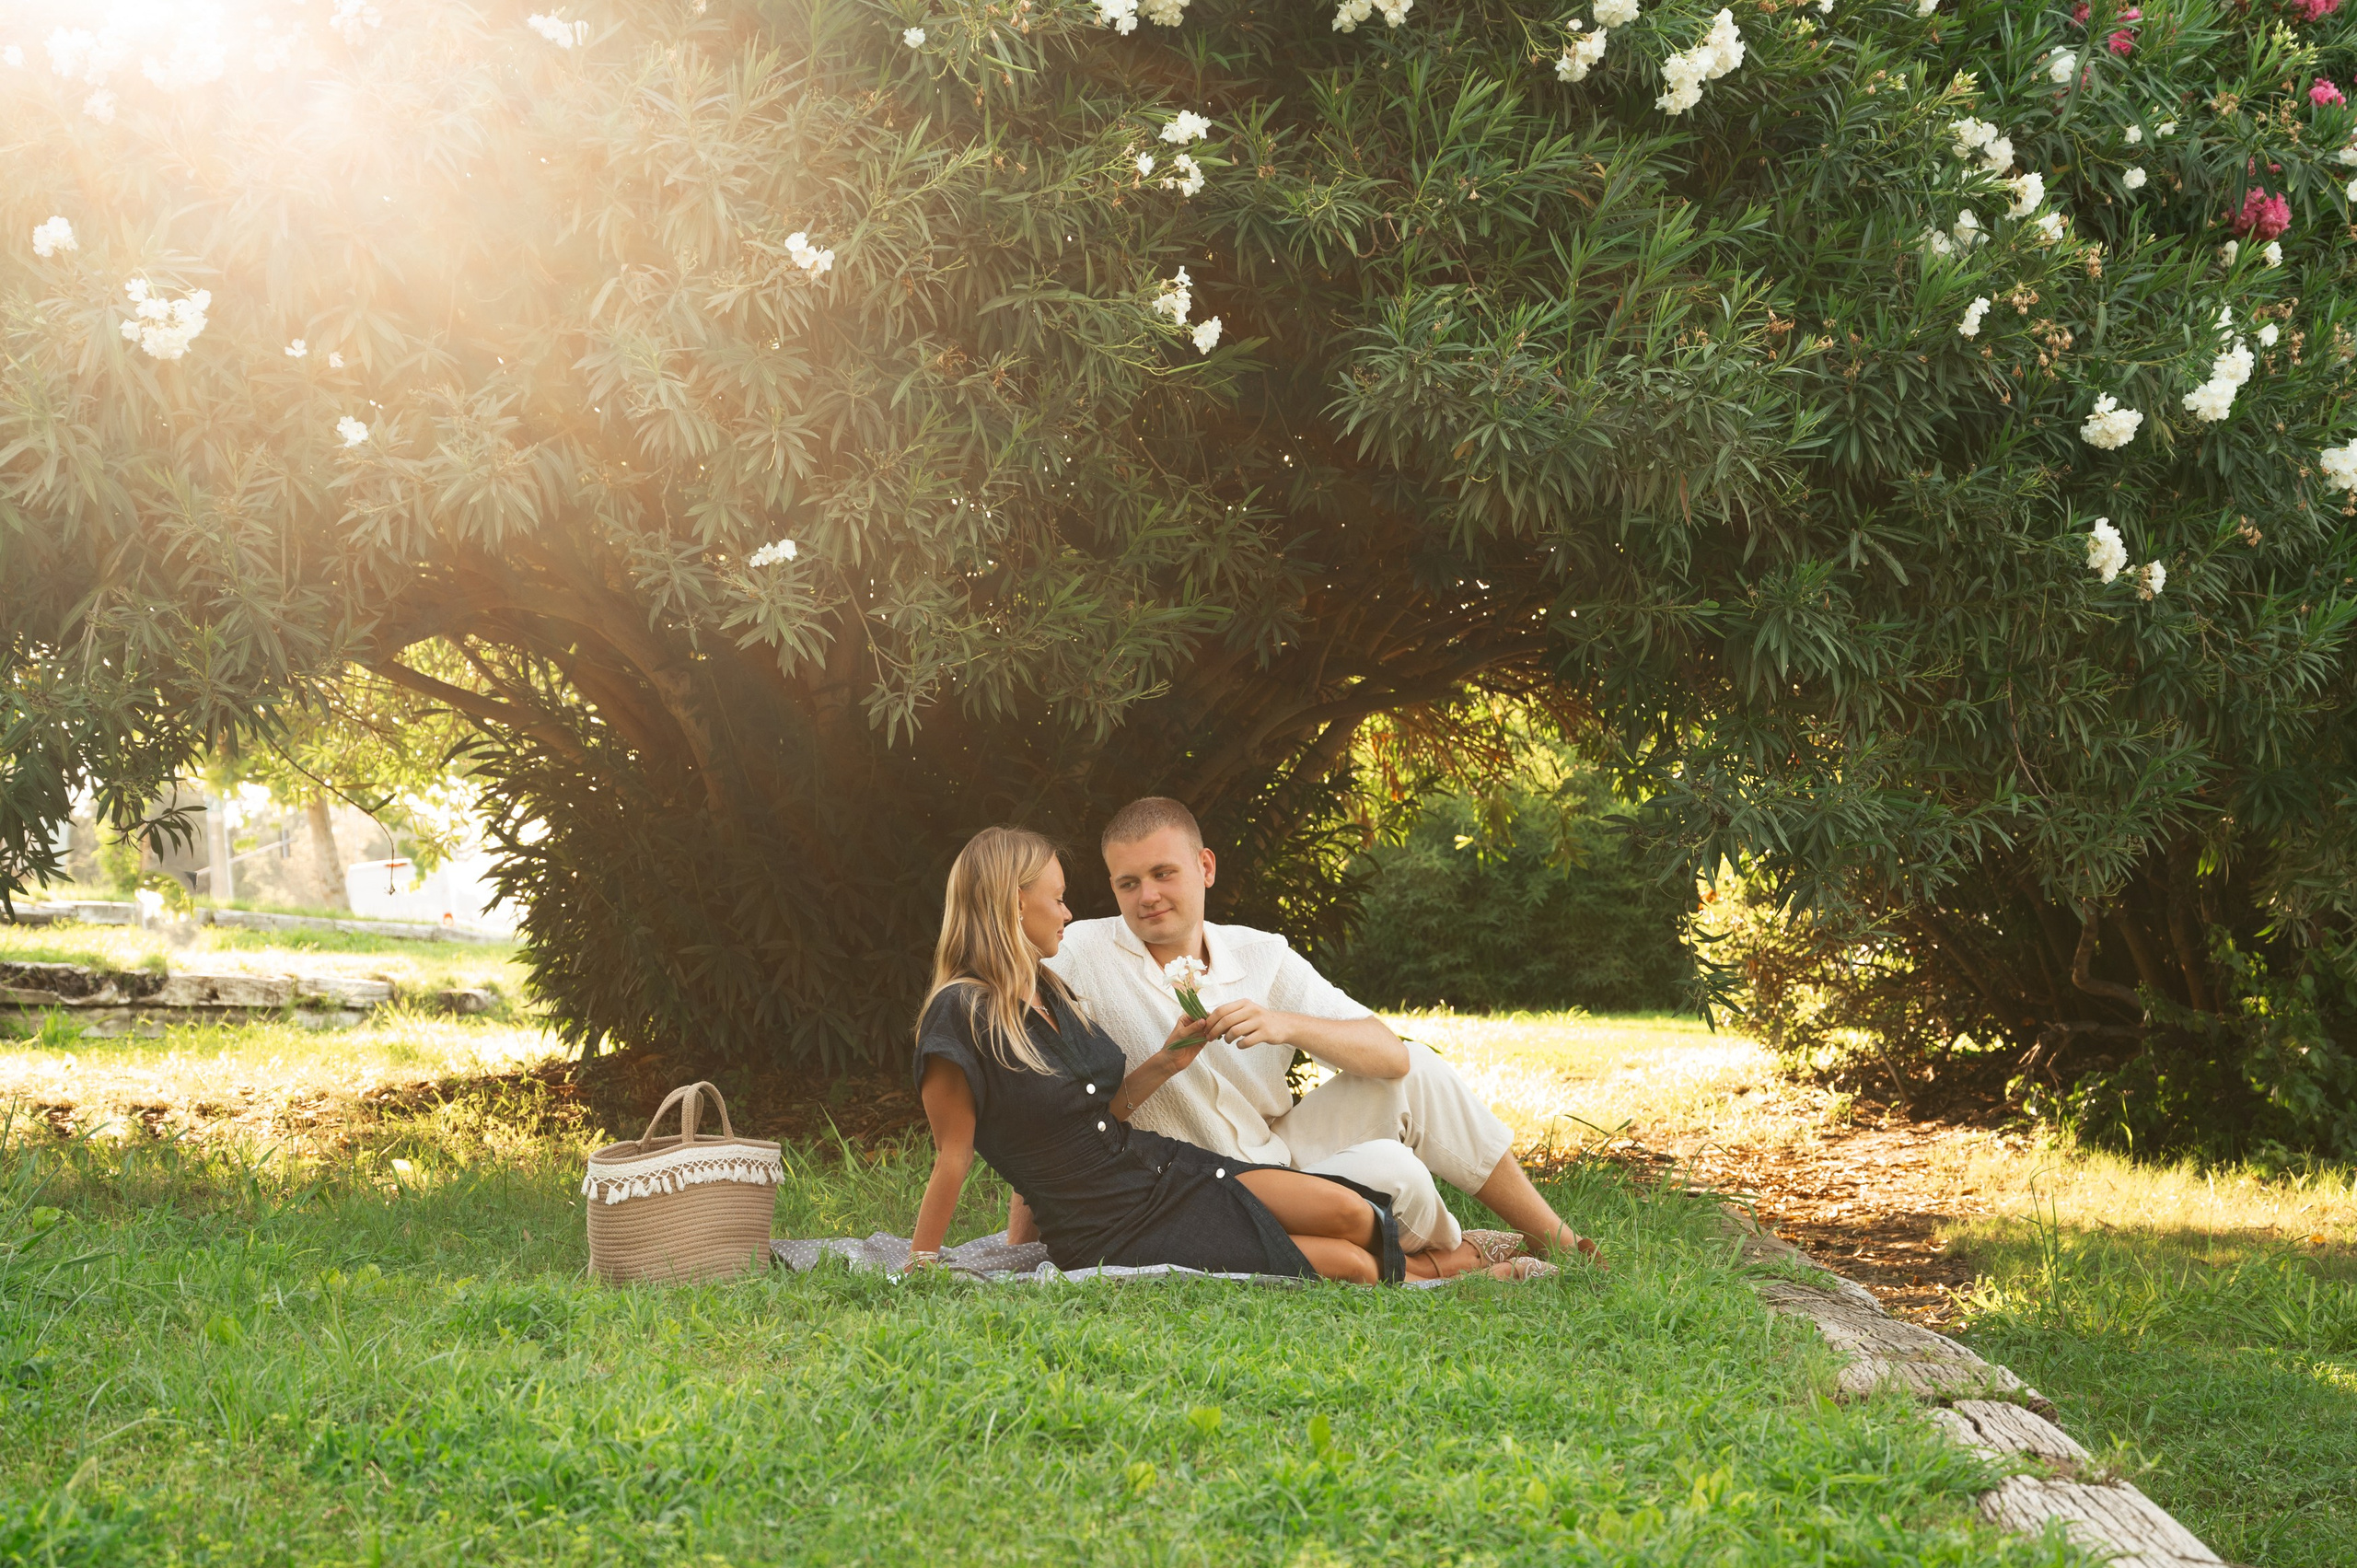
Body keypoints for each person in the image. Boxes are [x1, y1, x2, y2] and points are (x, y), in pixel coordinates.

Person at [907, 826, 1548, 1283]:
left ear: (1203, 868)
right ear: (1016, 902)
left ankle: (1502, 1245)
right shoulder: (971, 1008)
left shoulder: (1047, 987)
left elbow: (1096, 1110)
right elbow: (955, 1153)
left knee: (1352, 1212)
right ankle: (1457, 1268)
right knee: (1350, 1260)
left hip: (1162, 1168)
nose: (1070, 910)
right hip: (1109, 1224)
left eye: (1164, 874)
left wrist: (1169, 1058)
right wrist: (923, 1265)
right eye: (1060, 895)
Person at [1035, 797, 1606, 1268]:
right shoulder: (1082, 952)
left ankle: (1554, 1238)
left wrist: (1285, 1023)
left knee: (1419, 1068)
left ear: (1205, 867)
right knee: (1395, 1171)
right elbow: (1038, 1087)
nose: (1148, 897)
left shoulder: (1264, 956)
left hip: (1282, 1152)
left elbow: (1388, 1055)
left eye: (1164, 873)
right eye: (1128, 883)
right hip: (1192, 1186)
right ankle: (1454, 1254)